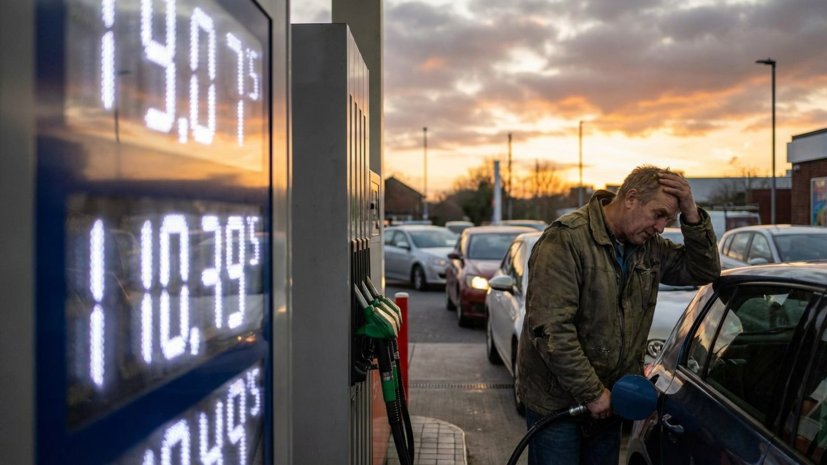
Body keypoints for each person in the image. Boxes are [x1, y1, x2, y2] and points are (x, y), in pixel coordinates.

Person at [517, 165, 721, 464]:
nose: (661, 227)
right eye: (658, 214)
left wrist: (692, 212)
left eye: (669, 219)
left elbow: (704, 270)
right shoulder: (566, 240)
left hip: (611, 402)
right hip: (558, 405)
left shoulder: (648, 247)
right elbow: (551, 329)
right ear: (631, 198)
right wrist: (592, 392)